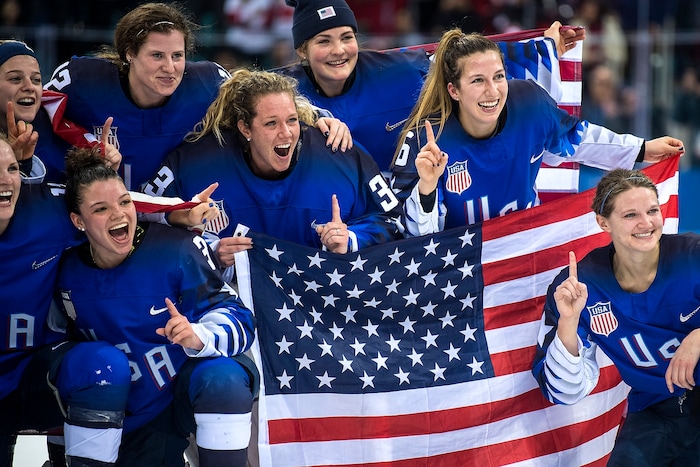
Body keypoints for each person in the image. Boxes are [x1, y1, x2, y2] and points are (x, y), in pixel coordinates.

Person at [55, 147, 258, 466]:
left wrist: (198, 335)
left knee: (224, 380)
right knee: (98, 364)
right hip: (107, 402)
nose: (119, 215)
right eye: (101, 209)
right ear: (78, 221)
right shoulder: (64, 266)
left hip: (175, 399)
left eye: (125, 202)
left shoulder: (175, 248)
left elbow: (241, 320)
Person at [390, 29, 685, 236]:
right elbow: (414, 238)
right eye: (478, 80)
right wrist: (426, 188)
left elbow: (575, 139)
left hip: (522, 248)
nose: (492, 91)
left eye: (499, 77)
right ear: (454, 90)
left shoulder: (530, 104)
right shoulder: (425, 140)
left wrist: (642, 150)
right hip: (461, 270)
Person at [43, 2, 350, 191]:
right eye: (157, 56)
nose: (170, 68)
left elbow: (259, 94)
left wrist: (320, 117)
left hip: (170, 215)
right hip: (95, 214)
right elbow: (32, 108)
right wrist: (80, 157)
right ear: (129, 54)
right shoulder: (82, 79)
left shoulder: (205, 82)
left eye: (178, 55)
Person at [277, 0, 586, 174]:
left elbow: (463, 60)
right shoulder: (280, 91)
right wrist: (311, 113)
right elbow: (229, 90)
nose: (339, 51)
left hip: (399, 213)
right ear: (302, 51)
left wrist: (539, 48)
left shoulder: (396, 71)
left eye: (346, 37)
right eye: (323, 41)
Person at [142, 69, 400, 272]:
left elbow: (392, 219)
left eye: (291, 120)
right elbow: (145, 220)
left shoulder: (338, 151)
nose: (286, 133)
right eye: (270, 123)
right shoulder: (196, 162)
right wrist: (209, 251)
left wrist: (351, 239)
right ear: (245, 129)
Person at [532, 168, 700, 465]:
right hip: (656, 409)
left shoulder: (692, 256)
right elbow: (562, 392)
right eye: (630, 215)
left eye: (652, 210)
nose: (646, 223)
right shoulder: (581, 285)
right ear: (603, 222)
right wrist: (568, 324)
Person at [0, 134, 133, 467]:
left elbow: (124, 211)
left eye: (13, 168)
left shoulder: (47, 214)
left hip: (32, 370)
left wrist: (178, 215)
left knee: (103, 366)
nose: (5, 181)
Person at [0, 39, 121, 183]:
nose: (29, 87)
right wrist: (20, 166)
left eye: (36, 80)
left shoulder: (66, 136)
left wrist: (104, 171)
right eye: (15, 78)